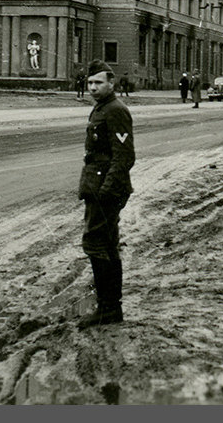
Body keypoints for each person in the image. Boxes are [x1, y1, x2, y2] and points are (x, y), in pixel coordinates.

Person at [77, 59, 135, 329]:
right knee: (106, 244)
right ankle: (111, 307)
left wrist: (106, 192)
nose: (92, 87)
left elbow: (124, 157)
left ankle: (108, 308)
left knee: (97, 244)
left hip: (105, 191)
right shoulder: (101, 108)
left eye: (98, 82)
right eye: (90, 83)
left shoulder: (115, 110)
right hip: (98, 188)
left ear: (112, 84)